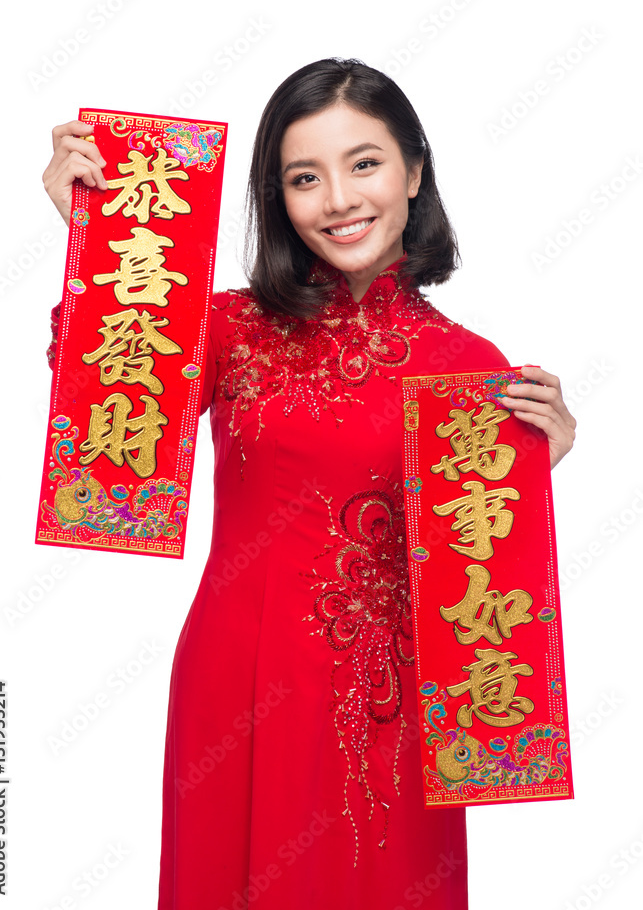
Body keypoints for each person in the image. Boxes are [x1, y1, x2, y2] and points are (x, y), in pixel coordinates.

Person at [43, 57, 576, 910]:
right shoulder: (226, 328)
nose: (337, 199)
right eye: (304, 176)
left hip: (388, 705)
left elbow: (471, 585)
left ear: (413, 170)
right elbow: (106, 419)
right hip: (236, 679)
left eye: (363, 163)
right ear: (279, 198)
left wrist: (529, 476)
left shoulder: (472, 373)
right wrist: (96, 242)